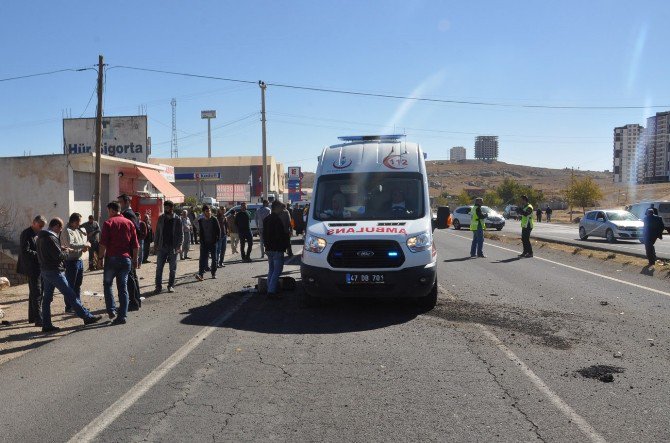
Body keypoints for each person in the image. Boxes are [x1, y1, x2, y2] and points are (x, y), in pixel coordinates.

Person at [36, 218, 102, 332]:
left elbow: (50, 252)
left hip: (45, 270)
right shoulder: (51, 237)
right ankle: (87, 317)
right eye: (60, 228)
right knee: (70, 294)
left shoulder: (40, 237)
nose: (61, 230)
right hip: (55, 271)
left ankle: (46, 324)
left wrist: (60, 248)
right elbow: (59, 256)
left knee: (47, 299)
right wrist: (66, 252)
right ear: (55, 226)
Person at [98, 202, 140, 325]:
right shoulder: (129, 223)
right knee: (123, 288)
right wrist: (135, 260)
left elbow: (103, 243)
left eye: (108, 211)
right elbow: (135, 245)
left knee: (107, 285)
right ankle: (122, 316)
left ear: (111, 210)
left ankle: (111, 310)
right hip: (126, 260)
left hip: (112, 259)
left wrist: (100, 258)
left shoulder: (108, 223)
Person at [17, 215, 46, 327]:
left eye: (43, 226)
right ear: (34, 223)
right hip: (31, 267)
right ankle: (38, 319)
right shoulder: (27, 233)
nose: (41, 228)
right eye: (40, 226)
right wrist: (39, 254)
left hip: (37, 266)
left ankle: (33, 317)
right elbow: (25, 251)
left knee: (35, 293)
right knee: (37, 293)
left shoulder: (37, 233)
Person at [60, 213, 90, 313]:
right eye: (78, 222)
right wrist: (84, 245)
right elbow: (71, 244)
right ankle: (69, 307)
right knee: (70, 285)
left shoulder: (76, 229)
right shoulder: (67, 230)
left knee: (77, 284)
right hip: (70, 261)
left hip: (78, 259)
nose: (79, 224)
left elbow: (80, 242)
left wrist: (84, 246)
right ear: (73, 221)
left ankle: (77, 305)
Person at [117, 194, 141, 310]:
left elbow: (134, 232)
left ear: (126, 202)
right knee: (133, 277)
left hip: (130, 250)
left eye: (120, 202)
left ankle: (134, 302)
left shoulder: (128, 215)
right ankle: (136, 300)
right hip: (131, 249)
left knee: (130, 277)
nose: (119, 204)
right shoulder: (129, 214)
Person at [154, 200, 183, 294]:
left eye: (167, 207)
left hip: (173, 247)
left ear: (171, 208)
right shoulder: (161, 218)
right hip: (162, 246)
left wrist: (179, 245)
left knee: (172, 268)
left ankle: (170, 285)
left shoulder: (177, 219)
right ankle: (158, 287)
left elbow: (180, 234)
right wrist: (155, 244)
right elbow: (157, 232)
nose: (166, 209)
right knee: (159, 268)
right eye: (165, 207)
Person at [263, 201, 290, 298]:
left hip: (268, 248)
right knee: (277, 270)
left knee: (271, 269)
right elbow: (280, 235)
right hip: (277, 249)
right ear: (276, 207)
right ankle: (271, 291)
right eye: (281, 208)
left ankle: (269, 288)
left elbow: (264, 234)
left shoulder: (266, 219)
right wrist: (284, 246)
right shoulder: (277, 220)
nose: (282, 210)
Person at [195, 205, 221, 281]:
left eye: (209, 210)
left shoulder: (214, 219)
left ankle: (213, 273)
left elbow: (218, 230)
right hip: (204, 243)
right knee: (202, 259)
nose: (209, 212)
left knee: (214, 259)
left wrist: (217, 239)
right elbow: (198, 228)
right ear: (204, 212)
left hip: (213, 242)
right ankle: (201, 275)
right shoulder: (201, 220)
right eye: (207, 211)